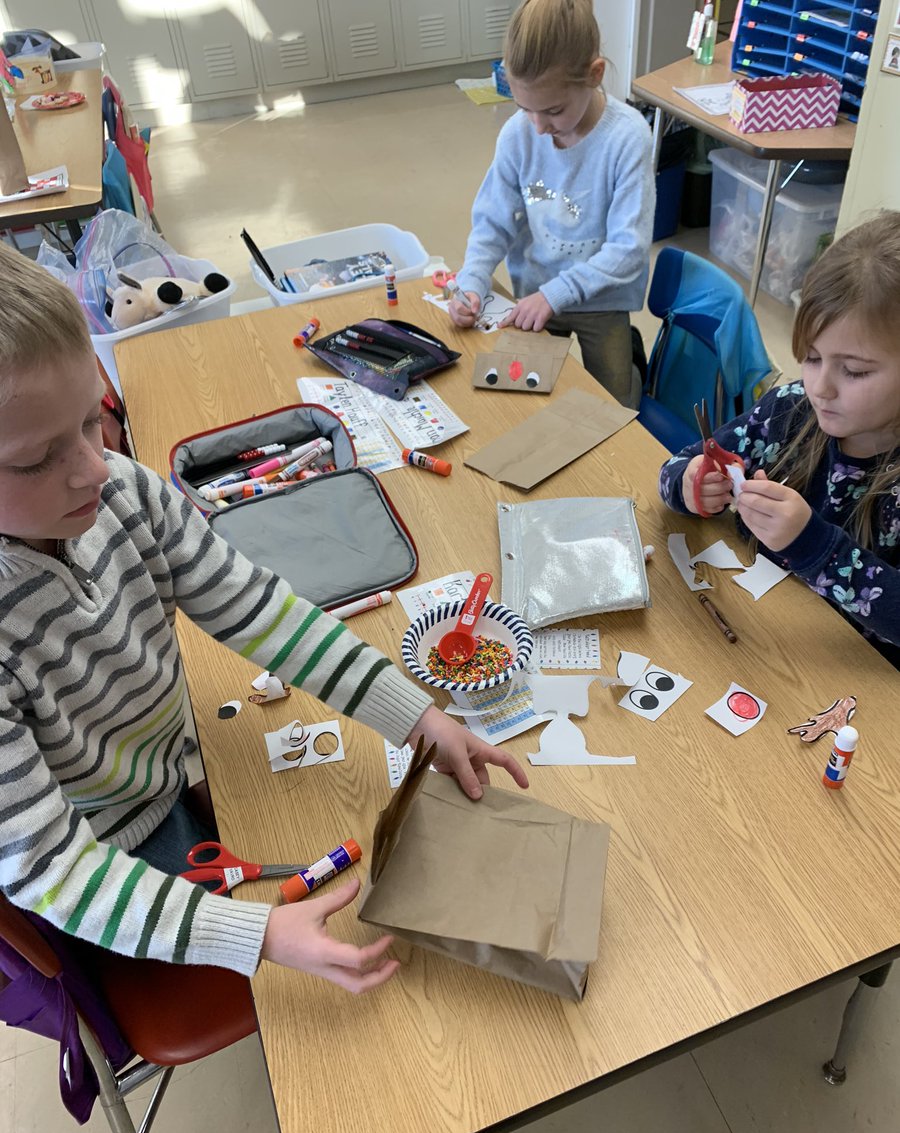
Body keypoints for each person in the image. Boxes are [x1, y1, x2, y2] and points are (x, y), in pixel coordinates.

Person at [0, 244, 528, 994]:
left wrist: (417, 719)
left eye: (94, 420)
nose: (93, 468)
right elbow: (53, 869)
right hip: (107, 838)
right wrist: (254, 934)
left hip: (176, 756)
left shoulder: (122, 490)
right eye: (38, 457)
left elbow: (262, 612)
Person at [658, 211, 900, 667]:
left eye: (854, 370)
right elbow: (677, 465)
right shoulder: (790, 408)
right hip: (759, 639)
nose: (821, 387)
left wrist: (813, 545)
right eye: (811, 358)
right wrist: (690, 485)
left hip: (855, 680)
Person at [449, 0, 654, 407]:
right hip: (533, 297)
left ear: (595, 75)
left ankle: (630, 362)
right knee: (526, 402)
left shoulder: (627, 137)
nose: (539, 127)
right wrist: (470, 282)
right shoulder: (516, 136)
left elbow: (628, 250)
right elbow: (493, 222)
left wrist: (556, 294)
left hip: (603, 300)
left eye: (554, 111)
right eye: (525, 109)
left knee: (614, 410)